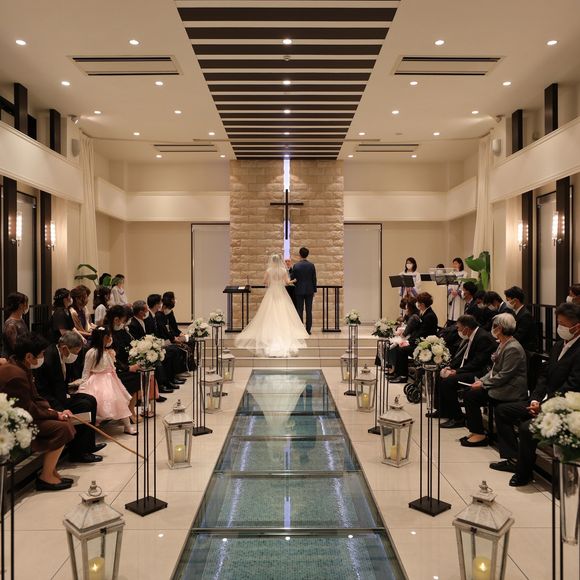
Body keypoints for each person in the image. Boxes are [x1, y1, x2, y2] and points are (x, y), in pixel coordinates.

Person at [491, 302, 580, 486]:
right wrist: (535, 399)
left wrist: (544, 406)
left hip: (566, 407)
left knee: (527, 428)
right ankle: (512, 457)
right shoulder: (558, 346)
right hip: (543, 401)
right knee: (503, 410)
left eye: (563, 324)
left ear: (576, 327)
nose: (559, 328)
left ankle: (524, 473)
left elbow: (572, 386)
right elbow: (544, 376)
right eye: (558, 323)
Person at [0, 333, 75, 491]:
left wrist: (52, 410)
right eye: (41, 354)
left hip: (25, 415)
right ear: (29, 356)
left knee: (65, 422)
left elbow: (35, 397)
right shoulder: (15, 374)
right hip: (13, 423)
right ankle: (45, 477)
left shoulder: (20, 367)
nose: (43, 357)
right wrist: (55, 414)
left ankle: (51, 471)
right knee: (62, 428)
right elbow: (28, 409)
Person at [34, 331, 105, 462]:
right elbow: (44, 392)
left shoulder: (62, 355)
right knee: (84, 405)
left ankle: (88, 445)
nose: (76, 355)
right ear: (65, 348)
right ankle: (78, 453)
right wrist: (60, 409)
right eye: (76, 352)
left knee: (90, 399)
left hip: (61, 396)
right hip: (51, 402)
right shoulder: (49, 359)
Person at [460, 313, 528, 447]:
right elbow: (494, 370)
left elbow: (504, 375)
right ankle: (475, 431)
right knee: (469, 392)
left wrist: (484, 384)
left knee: (472, 396)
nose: (492, 329)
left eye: (494, 326)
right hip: (501, 384)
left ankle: (479, 434)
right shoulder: (502, 343)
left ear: (500, 328)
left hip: (510, 389)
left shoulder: (513, 348)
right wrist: (481, 381)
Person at [236, 253, 308, 357]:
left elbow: (265, 282)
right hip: (281, 292)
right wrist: (294, 280)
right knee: (282, 311)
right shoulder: (283, 271)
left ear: (272, 261)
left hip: (272, 292)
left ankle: (268, 332)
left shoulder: (269, 270)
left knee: (269, 311)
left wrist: (271, 282)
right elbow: (287, 282)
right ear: (280, 261)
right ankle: (283, 331)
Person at [436, 315, 497, 427]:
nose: (458, 330)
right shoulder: (472, 335)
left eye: (459, 328)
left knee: (448, 382)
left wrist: (457, 371)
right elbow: (462, 357)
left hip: (480, 372)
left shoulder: (483, 337)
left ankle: (458, 418)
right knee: (439, 373)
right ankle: (443, 410)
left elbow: (478, 362)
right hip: (470, 368)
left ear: (466, 328)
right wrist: (450, 367)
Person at [77, 326, 136, 434]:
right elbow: (86, 370)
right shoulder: (92, 352)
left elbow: (113, 367)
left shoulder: (108, 352)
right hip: (97, 381)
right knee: (100, 403)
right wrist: (83, 385)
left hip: (111, 380)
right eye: (108, 337)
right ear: (103, 338)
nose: (110, 339)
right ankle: (94, 426)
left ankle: (127, 426)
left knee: (120, 402)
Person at [106, 305, 143, 423]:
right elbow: (110, 358)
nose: (124, 323)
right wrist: (128, 368)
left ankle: (131, 409)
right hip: (111, 369)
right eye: (123, 320)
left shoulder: (122, 331)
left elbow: (131, 344)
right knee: (134, 376)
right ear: (116, 320)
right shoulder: (107, 334)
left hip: (124, 364)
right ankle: (129, 411)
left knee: (139, 373)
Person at [391, 292, 439, 383]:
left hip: (424, 345)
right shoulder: (424, 313)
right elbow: (416, 332)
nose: (417, 304)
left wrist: (409, 342)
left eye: (418, 303)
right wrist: (408, 341)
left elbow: (422, 334)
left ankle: (403, 376)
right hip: (419, 341)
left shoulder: (429, 316)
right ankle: (397, 373)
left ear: (422, 304)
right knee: (398, 347)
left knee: (402, 350)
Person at [128, 300, 172, 398]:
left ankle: (163, 384)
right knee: (156, 361)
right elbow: (137, 340)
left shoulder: (142, 321)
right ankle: (159, 387)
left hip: (145, 347)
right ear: (140, 312)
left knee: (162, 355)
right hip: (139, 351)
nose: (147, 311)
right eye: (146, 310)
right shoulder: (133, 324)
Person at [504, 286, 538, 352]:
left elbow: (519, 335)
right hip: (516, 344)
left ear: (515, 300)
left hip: (525, 348)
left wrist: (505, 341)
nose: (507, 303)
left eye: (508, 300)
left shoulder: (526, 315)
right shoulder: (514, 312)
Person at [291, 247, 317, 335]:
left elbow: (293, 278)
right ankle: (308, 330)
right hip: (309, 290)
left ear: (300, 254)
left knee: (299, 310)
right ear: (307, 255)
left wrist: (297, 284)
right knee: (309, 311)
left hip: (299, 290)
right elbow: (314, 279)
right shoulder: (311, 265)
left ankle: (300, 329)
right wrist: (314, 290)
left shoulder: (296, 266)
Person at [2, 292, 29, 356]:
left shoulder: (21, 320)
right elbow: (14, 346)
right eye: (26, 303)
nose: (27, 306)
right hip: (13, 358)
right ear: (20, 305)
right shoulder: (11, 324)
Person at [446, 257, 466, 323]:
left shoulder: (464, 273)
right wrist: (451, 291)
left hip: (459, 295)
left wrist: (458, 291)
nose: (454, 265)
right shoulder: (451, 273)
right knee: (450, 313)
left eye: (456, 263)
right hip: (452, 295)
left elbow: (464, 284)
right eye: (453, 264)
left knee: (458, 313)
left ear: (460, 264)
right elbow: (448, 284)